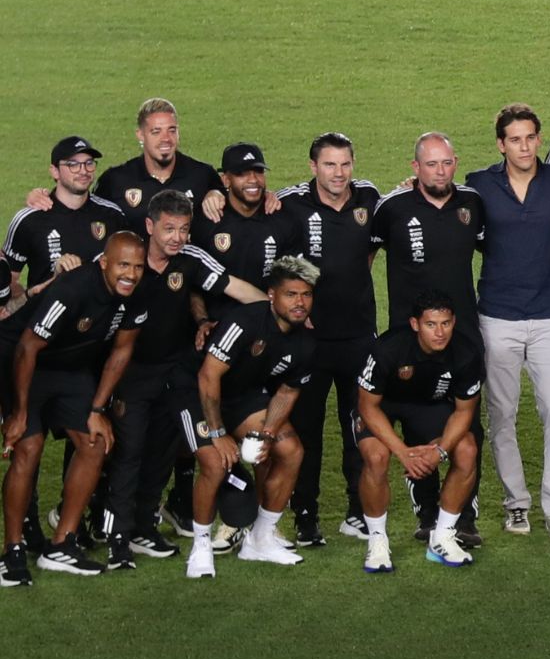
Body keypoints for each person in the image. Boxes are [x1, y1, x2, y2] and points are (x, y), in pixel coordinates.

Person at [102, 191, 265, 569]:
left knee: (161, 451)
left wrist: (278, 314)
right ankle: (117, 538)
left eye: (184, 229)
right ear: (149, 227)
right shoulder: (129, 260)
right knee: (129, 454)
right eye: (169, 228)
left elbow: (236, 288)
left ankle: (144, 527)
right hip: (131, 373)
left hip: (175, 373)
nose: (177, 237)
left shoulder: (190, 259)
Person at [0, 232, 146, 585]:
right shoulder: (73, 288)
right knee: (28, 447)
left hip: (70, 369)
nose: (131, 274)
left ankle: (62, 544)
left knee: (94, 442)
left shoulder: (138, 294)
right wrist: (18, 414)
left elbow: (122, 352)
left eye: (138, 266)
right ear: (104, 263)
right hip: (19, 360)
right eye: (123, 265)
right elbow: (26, 348)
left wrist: (97, 408)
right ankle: (12, 551)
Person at [370, 132, 489, 539]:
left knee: (468, 426)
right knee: (420, 424)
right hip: (411, 341)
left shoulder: (472, 203)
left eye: (446, 163)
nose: (440, 171)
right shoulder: (392, 207)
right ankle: (426, 514)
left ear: (456, 162)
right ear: (415, 168)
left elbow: (499, 249)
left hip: (463, 337)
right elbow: (363, 256)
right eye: (431, 164)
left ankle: (464, 518)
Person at [468, 105, 550, 542]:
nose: (524, 146)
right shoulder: (478, 185)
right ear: (501, 144)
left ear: (538, 138)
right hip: (497, 316)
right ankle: (516, 504)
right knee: (502, 416)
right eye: (515, 139)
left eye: (530, 137)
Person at [176, 256, 321, 578]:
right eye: (291, 294)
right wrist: (217, 433)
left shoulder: (306, 342)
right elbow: (208, 377)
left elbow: (287, 392)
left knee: (291, 451)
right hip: (195, 391)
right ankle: (201, 546)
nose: (300, 303)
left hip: (242, 396)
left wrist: (267, 434)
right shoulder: (243, 322)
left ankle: (260, 538)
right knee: (215, 463)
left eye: (306, 295)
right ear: (272, 295)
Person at [276, 133, 384, 548]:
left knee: (359, 424)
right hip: (309, 340)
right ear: (313, 167)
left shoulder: (368, 198)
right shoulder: (290, 203)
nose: (338, 174)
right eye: (329, 165)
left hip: (358, 336)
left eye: (344, 165)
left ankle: (357, 511)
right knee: (306, 428)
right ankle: (306, 515)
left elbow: (371, 250)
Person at [353, 292, 485, 572]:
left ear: (454, 322)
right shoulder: (388, 348)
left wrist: (440, 450)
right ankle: (377, 541)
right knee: (376, 457)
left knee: (467, 449)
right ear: (415, 324)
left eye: (446, 324)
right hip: (382, 406)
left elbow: (464, 412)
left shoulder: (467, 353)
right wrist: (404, 453)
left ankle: (443, 536)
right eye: (431, 324)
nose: (440, 333)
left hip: (428, 405)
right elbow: (367, 406)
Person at [6, 135, 131, 293]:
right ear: (55, 171)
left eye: (89, 163)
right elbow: (8, 281)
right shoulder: (29, 220)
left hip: (100, 316)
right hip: (46, 316)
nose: (83, 170)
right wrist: (30, 300)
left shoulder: (112, 216)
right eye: (73, 164)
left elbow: (129, 270)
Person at [193, 143, 296, 291]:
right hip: (217, 314)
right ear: (226, 180)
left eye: (258, 171)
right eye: (242, 173)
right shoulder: (207, 220)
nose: (253, 179)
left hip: (265, 312)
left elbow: (291, 280)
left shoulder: (281, 219)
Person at [93, 98, 223, 215]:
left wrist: (216, 193)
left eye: (172, 130)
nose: (166, 138)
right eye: (156, 132)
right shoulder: (115, 180)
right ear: (140, 135)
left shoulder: (203, 176)